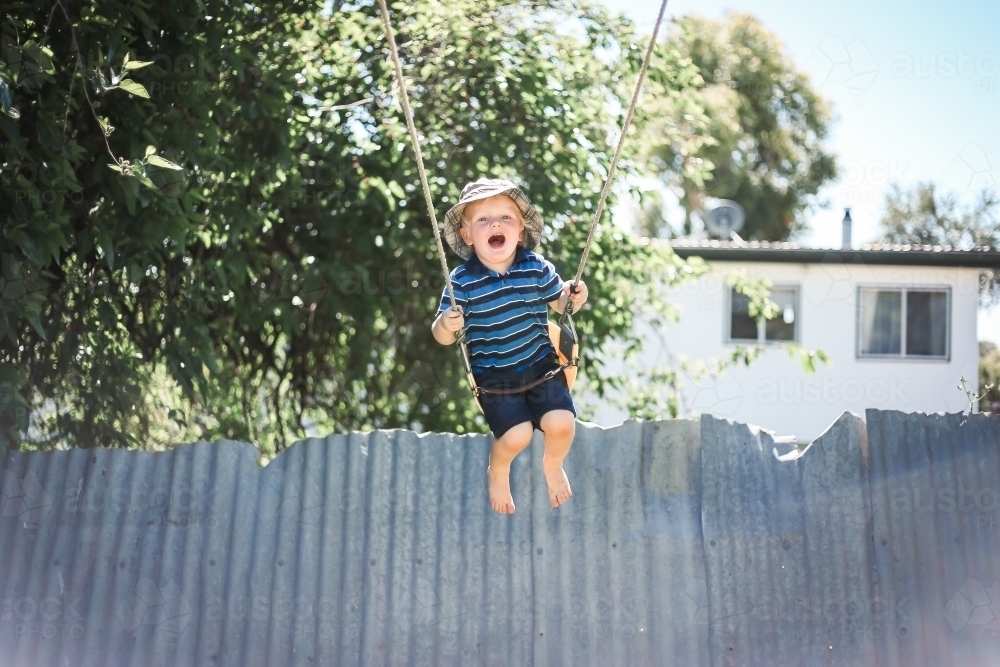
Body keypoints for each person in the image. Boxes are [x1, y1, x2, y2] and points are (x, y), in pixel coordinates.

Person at [430, 178, 588, 514]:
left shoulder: (535, 267)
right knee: (516, 436)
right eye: (483, 220)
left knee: (562, 424)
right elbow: (442, 335)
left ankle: (553, 465)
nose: (495, 224)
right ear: (467, 235)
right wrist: (447, 325)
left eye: (505, 218)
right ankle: (498, 470)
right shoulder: (461, 281)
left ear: (520, 231)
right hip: (494, 378)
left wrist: (575, 295)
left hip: (542, 366)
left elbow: (562, 304)